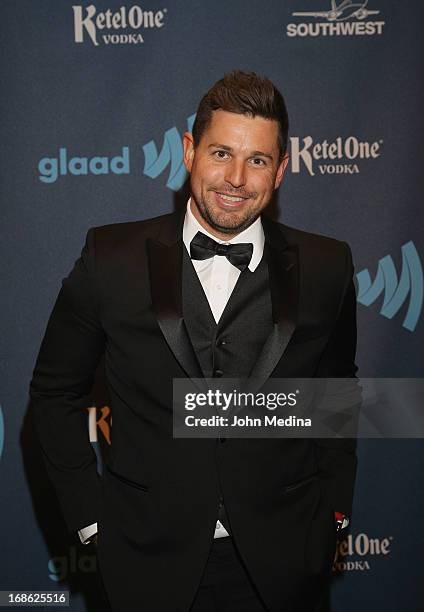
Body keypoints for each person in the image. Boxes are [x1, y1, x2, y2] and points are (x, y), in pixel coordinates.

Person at [30, 70, 358, 612]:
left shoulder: (327, 265)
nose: (235, 178)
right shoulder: (109, 260)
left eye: (256, 160)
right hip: (146, 560)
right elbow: (53, 392)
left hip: (286, 562)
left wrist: (334, 513)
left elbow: (336, 391)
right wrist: (91, 522)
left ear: (280, 171)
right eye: (221, 153)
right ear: (189, 152)